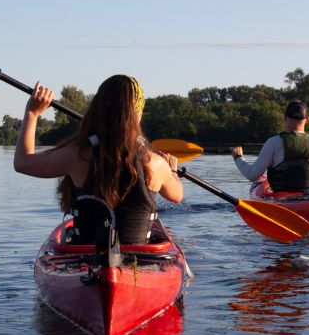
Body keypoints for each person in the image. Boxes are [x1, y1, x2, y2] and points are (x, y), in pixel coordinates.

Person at [13, 74, 183, 245]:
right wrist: (172, 170)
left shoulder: (76, 155)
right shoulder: (154, 163)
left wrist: (32, 113)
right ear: (138, 114)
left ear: (98, 109)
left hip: (85, 261)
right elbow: (177, 196)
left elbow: (22, 163)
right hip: (140, 262)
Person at [231, 100, 309, 194]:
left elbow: (252, 176)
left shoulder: (273, 143)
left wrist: (238, 157)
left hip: (281, 200)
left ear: (285, 118)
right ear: (307, 120)